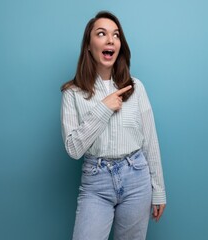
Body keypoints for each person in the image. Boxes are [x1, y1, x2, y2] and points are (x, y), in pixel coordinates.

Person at [60, 11, 166, 240]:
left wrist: (159, 191)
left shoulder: (136, 88)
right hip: (96, 182)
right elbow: (73, 149)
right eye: (102, 34)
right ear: (89, 45)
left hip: (137, 178)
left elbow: (150, 139)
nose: (110, 40)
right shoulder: (72, 93)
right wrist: (103, 108)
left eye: (116, 35)